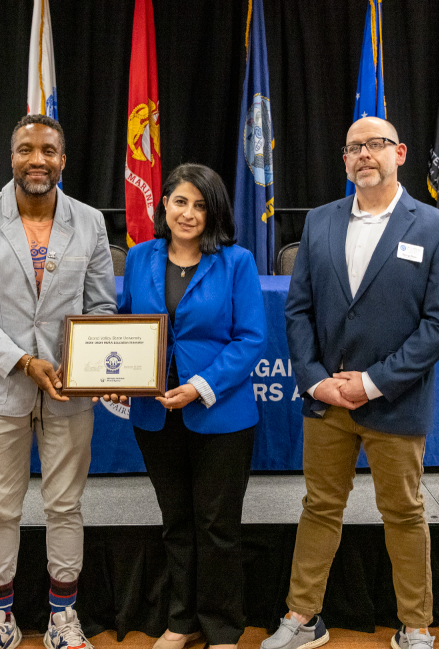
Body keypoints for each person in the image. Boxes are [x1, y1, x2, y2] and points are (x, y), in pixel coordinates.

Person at [265, 116, 439, 649]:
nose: (364, 155)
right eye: (354, 147)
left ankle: (416, 625)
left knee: (403, 511)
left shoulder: (437, 228)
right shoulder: (320, 223)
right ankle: (303, 618)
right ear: (346, 160)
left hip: (394, 400)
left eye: (375, 145)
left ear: (399, 152)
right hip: (327, 402)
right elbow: (298, 310)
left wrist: (373, 383)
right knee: (320, 507)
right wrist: (314, 381)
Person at [0, 114, 116, 649]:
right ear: (11, 157)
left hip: (69, 390)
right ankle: (0, 619)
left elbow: (102, 307)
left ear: (63, 160)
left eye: (48, 150)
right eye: (25, 149)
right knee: (0, 508)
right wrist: (22, 361)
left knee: (65, 505)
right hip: (1, 388)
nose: (36, 159)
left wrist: (94, 364)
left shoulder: (89, 221)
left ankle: (63, 616)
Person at [111, 163, 266, 649]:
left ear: (214, 211)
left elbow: (251, 338)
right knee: (176, 523)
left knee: (217, 526)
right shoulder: (139, 257)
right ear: (163, 205)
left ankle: (222, 627)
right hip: (155, 415)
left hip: (220, 415)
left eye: (200, 205)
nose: (189, 213)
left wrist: (199, 385)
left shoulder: (236, 261)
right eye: (180, 201)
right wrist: (112, 375)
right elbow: (125, 324)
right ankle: (182, 622)